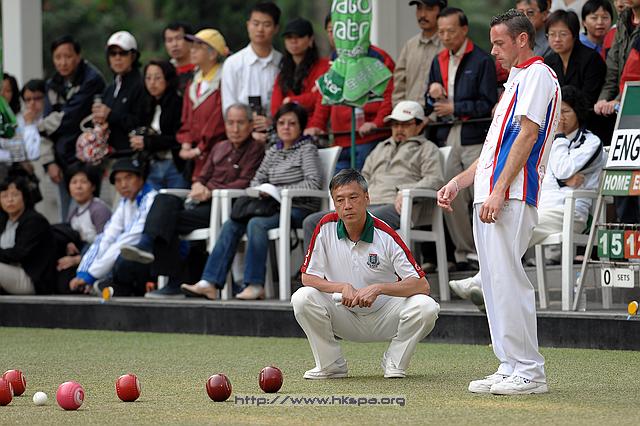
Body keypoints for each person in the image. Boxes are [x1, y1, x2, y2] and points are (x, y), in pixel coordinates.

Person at [437, 9, 560, 395]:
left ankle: (529, 371)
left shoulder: (538, 75)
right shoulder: (516, 81)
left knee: (507, 280)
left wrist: (500, 189)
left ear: (522, 39)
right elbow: (493, 150)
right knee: (493, 282)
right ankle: (509, 364)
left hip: (511, 193)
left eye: (499, 43)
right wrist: (458, 182)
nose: (493, 51)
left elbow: (527, 136)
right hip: (494, 193)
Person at [450, 85, 606, 308]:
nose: (560, 117)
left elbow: (561, 169)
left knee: (514, 229)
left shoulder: (591, 142)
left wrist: (559, 139)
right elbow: (548, 174)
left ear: (578, 113)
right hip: (543, 208)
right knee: (506, 227)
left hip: (571, 213)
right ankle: (490, 290)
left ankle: (484, 283)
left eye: (566, 111)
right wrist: (564, 179)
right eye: (557, 112)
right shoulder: (546, 140)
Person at [292, 169, 440, 379]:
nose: (347, 205)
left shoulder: (386, 234)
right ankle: (330, 364)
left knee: (426, 307)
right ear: (334, 203)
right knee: (302, 297)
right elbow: (307, 277)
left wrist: (378, 289)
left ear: (367, 198)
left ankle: (395, 361)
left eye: (353, 197)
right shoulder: (325, 227)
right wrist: (342, 287)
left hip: (386, 316)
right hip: (344, 313)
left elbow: (422, 285)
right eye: (340, 200)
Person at [119, 103, 265, 297]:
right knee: (164, 199)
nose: (235, 129)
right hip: (201, 202)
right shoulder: (219, 147)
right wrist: (198, 186)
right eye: (230, 123)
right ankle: (146, 245)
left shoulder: (256, 149)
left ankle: (168, 273)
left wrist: (210, 191)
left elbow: (246, 182)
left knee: (165, 221)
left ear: (250, 125)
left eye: (240, 123)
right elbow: (202, 176)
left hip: (227, 205)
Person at [180, 103, 321, 301]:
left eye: (292, 123)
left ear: (301, 126)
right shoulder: (273, 151)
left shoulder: (307, 149)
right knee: (232, 224)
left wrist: (278, 191)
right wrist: (262, 190)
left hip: (297, 208)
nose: (286, 127)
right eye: (281, 123)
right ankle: (209, 283)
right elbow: (256, 180)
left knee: (256, 223)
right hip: (271, 207)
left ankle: (255, 285)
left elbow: (313, 183)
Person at [303, 101, 444, 250]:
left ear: (420, 125)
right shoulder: (381, 147)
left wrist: (405, 191)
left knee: (358, 220)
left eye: (405, 124)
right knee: (312, 222)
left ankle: (350, 265)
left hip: (398, 206)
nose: (399, 129)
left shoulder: (427, 148)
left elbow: (435, 180)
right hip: (368, 204)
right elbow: (363, 178)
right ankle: (315, 266)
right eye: (395, 125)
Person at [425, 7, 497, 270]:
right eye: (441, 31)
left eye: (451, 31)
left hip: (473, 133)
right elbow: (429, 104)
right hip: (447, 133)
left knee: (480, 191)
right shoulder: (438, 60)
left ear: (464, 29)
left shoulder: (481, 59)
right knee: (451, 192)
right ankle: (465, 252)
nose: (445, 36)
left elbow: (488, 103)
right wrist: (431, 93)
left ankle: (487, 250)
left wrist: (455, 107)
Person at [305, 14, 395, 172]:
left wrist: (377, 123)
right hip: (340, 139)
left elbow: (390, 95)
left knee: (362, 184)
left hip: (370, 138)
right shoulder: (334, 59)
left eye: (341, 30)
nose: (336, 35)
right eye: (331, 31)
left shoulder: (377, 56)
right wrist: (317, 125)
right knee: (338, 185)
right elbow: (327, 95)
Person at [39, 35, 106, 221]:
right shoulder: (52, 84)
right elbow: (46, 131)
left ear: (78, 56)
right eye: (57, 57)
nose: (63, 62)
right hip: (61, 161)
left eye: (67, 56)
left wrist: (41, 125)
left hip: (86, 161)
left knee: (88, 217)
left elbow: (68, 118)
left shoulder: (92, 79)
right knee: (66, 217)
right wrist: (49, 162)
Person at [69, 157, 156, 296]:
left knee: (124, 257)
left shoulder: (150, 198)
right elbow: (106, 236)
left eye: (128, 178)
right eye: (118, 180)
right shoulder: (125, 202)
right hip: (128, 256)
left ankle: (120, 286)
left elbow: (129, 239)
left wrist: (92, 274)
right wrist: (83, 272)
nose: (123, 184)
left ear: (141, 178)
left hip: (152, 256)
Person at [221, 2, 282, 143]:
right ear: (248, 25)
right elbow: (228, 105)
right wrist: (247, 125)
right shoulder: (233, 63)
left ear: (276, 28)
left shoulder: (282, 63)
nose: (260, 29)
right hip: (242, 138)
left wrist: (271, 122)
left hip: (278, 136)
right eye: (256, 24)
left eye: (266, 25)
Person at [177, 29, 228, 182]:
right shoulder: (194, 81)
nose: (192, 51)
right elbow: (186, 116)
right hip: (195, 156)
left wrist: (199, 148)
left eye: (198, 47)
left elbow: (218, 119)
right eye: (192, 46)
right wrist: (186, 143)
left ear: (213, 54)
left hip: (217, 152)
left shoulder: (223, 80)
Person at [54, 163, 111, 293]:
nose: (78, 187)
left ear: (93, 186)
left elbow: (105, 244)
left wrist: (76, 260)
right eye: (74, 182)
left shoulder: (98, 209)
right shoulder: (74, 212)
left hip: (96, 260)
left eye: (83, 182)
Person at [132, 60, 188, 190]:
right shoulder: (146, 104)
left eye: (157, 78)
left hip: (174, 165)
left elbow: (179, 138)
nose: (152, 83)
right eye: (148, 78)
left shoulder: (178, 103)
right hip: (151, 164)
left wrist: (148, 142)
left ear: (168, 79)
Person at [0, 175, 56, 295]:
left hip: (31, 279)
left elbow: (18, 254)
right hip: (7, 273)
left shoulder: (35, 221)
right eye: (4, 196)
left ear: (24, 197)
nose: (9, 200)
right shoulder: (3, 221)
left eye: (15, 195)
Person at [93, 30, 144, 156]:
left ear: (133, 56)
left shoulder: (142, 85)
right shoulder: (110, 89)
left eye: (123, 53)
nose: (117, 58)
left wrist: (111, 115)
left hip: (131, 155)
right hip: (109, 154)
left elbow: (140, 122)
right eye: (112, 53)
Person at [544, 10, 606, 106]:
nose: (557, 39)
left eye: (563, 34)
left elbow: (590, 98)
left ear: (574, 35)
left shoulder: (592, 59)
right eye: (552, 34)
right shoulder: (548, 61)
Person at [269, 17, 330, 117]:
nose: (293, 41)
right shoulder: (283, 72)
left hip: (315, 123)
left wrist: (291, 101)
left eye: (299, 36)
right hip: (287, 124)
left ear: (311, 39)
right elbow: (275, 108)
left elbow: (320, 97)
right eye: (289, 37)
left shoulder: (325, 66)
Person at [392, 0, 445, 107]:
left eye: (429, 9)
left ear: (441, 11)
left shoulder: (448, 46)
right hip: (409, 114)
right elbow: (399, 84)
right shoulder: (410, 45)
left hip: (438, 115)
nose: (422, 15)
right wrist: (400, 110)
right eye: (419, 8)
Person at [594, 0, 640, 117]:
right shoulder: (623, 19)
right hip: (623, 101)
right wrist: (604, 99)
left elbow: (635, 73)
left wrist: (620, 100)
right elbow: (612, 65)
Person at [163, 22, 195, 95]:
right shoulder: (164, 72)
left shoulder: (201, 68)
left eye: (179, 38)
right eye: (169, 40)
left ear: (190, 41)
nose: (174, 44)